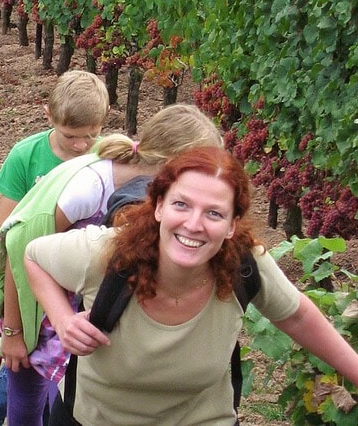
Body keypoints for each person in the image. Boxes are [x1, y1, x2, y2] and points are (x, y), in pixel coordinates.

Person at [24, 147, 358, 425]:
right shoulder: (107, 255)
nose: (194, 224)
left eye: (214, 214)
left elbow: (297, 316)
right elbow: (34, 256)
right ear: (158, 207)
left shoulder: (244, 265)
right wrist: (63, 320)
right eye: (181, 205)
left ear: (232, 226)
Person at [0, 104, 224, 425]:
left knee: (54, 398)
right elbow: (20, 249)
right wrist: (14, 332)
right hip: (31, 306)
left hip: (70, 306)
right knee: (27, 401)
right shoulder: (91, 186)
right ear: (170, 165)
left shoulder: (157, 194)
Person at [0, 70, 110, 426]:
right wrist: (12, 330)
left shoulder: (107, 160)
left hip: (77, 290)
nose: (81, 146)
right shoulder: (26, 156)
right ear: (48, 115)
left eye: (91, 136)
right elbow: (11, 242)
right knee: (26, 375)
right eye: (71, 137)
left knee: (45, 380)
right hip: (28, 291)